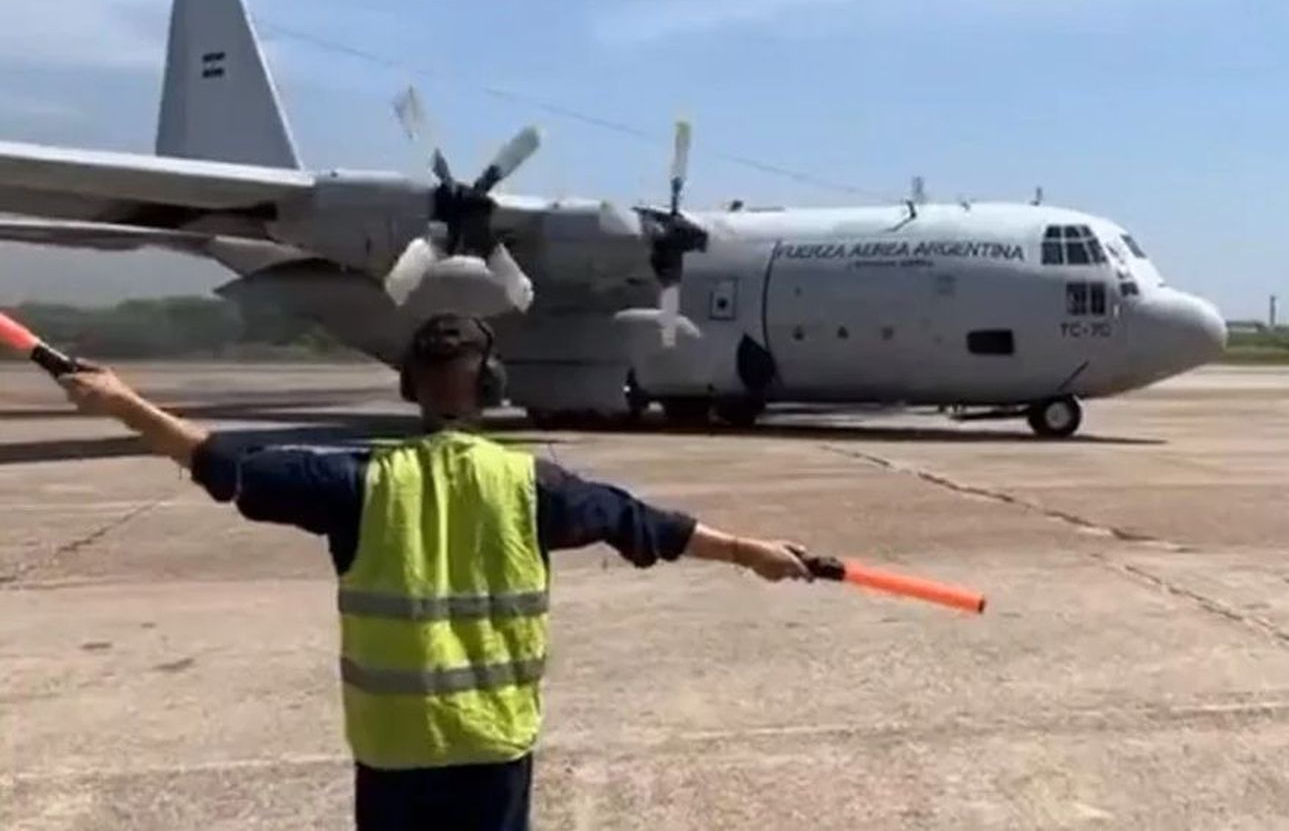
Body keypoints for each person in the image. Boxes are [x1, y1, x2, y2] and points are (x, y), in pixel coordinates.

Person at [57, 312, 812, 831]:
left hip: (395, 748)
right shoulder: (535, 486)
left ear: (409, 388)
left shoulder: (356, 483)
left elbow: (219, 461)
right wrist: (755, 553)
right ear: (492, 389)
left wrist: (124, 402)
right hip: (492, 746)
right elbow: (651, 528)